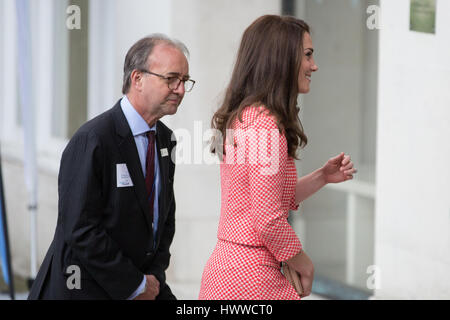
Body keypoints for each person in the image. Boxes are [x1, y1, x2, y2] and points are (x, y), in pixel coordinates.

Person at [199, 15, 356, 300]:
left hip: (230, 270)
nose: (314, 66)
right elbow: (268, 218)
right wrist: (303, 262)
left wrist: (322, 176)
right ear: (281, 59)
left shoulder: (247, 116)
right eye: (308, 56)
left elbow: (266, 198)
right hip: (251, 278)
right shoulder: (265, 123)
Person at [28, 34, 195, 300]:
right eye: (171, 79)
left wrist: (151, 279)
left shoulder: (165, 139)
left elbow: (164, 220)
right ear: (137, 79)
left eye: (185, 81)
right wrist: (134, 285)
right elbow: (81, 229)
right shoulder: (93, 139)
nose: (180, 89)